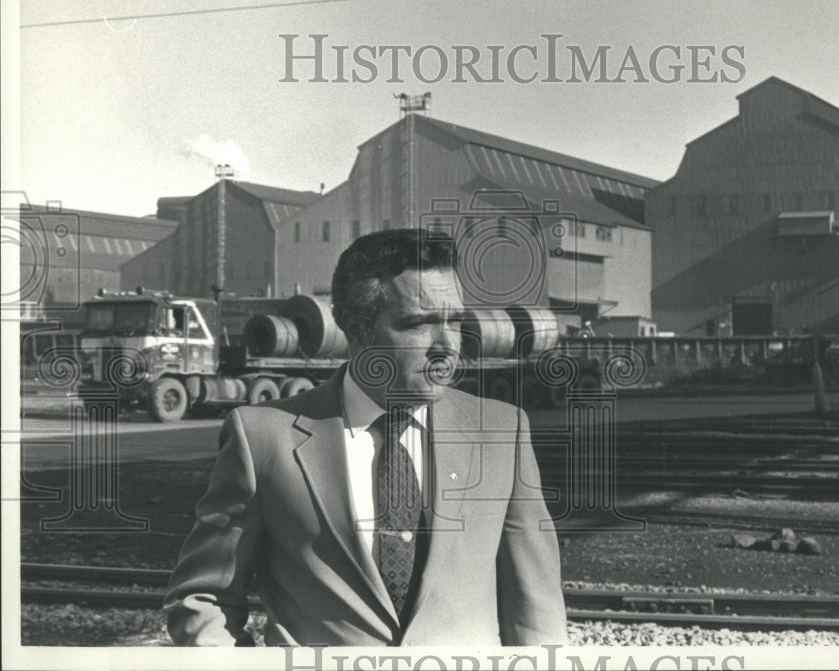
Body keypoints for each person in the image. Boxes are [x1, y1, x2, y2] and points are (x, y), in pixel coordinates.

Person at [164, 228, 567, 647]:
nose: (448, 345)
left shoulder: (502, 431)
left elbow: (537, 611)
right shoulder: (263, 438)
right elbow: (203, 598)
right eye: (419, 323)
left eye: (455, 320)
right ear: (356, 328)